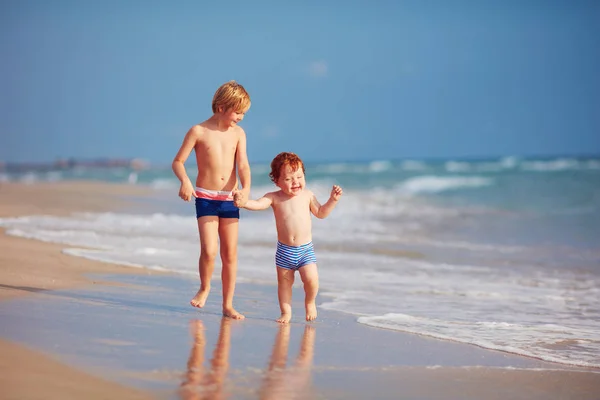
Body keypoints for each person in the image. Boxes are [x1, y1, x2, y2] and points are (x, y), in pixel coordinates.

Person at [172, 80, 251, 320]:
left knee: (230, 254)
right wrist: (185, 181)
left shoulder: (238, 134)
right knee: (209, 250)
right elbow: (178, 162)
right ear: (220, 107)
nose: (241, 117)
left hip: (230, 198)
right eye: (238, 112)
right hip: (205, 197)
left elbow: (243, 165)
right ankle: (205, 287)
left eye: (243, 113)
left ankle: (228, 305)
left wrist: (246, 189)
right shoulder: (199, 131)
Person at [234, 152, 342, 323]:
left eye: (299, 176)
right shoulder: (274, 197)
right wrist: (244, 202)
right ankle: (286, 312)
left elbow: (321, 213)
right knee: (285, 285)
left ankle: (310, 302)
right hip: (284, 251)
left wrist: (332, 200)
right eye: (289, 179)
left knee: (312, 280)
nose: (295, 182)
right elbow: (258, 204)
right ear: (276, 181)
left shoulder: (307, 195)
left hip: (305, 250)